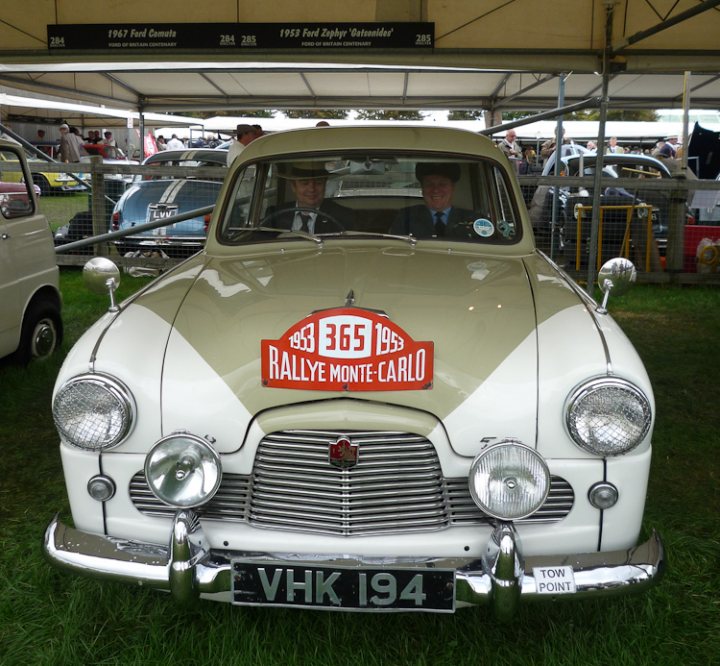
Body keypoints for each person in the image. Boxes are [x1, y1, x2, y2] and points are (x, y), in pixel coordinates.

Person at [389, 163, 475, 238]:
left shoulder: (473, 220)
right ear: (422, 189)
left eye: (442, 184)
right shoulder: (406, 217)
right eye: (429, 184)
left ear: (452, 188)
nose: (436, 190)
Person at [265, 161, 352, 232]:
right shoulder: (274, 216)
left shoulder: (343, 217)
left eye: (318, 183)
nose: (311, 189)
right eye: (305, 183)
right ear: (293, 186)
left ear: (325, 185)